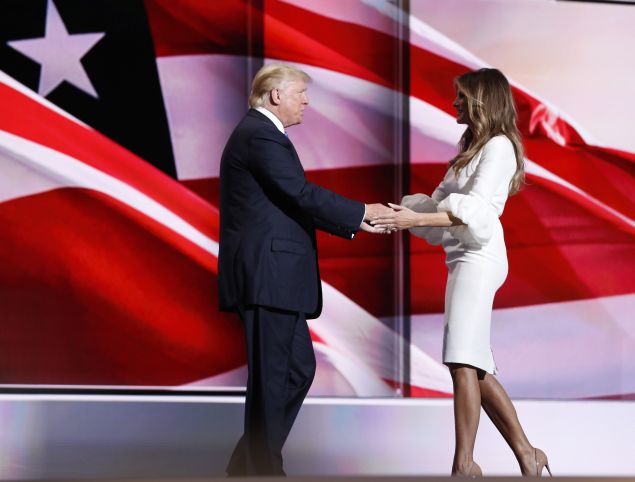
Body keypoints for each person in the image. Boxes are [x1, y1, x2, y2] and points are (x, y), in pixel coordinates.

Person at [372, 68, 551, 477]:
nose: (454, 103)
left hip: (481, 258)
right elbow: (436, 204)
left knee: (460, 359)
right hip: (461, 259)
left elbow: (476, 214)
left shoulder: (500, 147)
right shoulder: (472, 146)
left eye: (461, 97)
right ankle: (528, 453)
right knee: (471, 362)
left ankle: (464, 464)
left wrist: (412, 221)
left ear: (482, 101)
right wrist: (392, 214)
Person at [218, 63, 390, 476]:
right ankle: (261, 469)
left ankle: (249, 463)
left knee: (296, 370)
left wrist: (355, 219)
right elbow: (299, 193)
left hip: (277, 279)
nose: (306, 101)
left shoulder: (262, 135)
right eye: (300, 93)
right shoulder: (259, 134)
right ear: (276, 95)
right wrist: (361, 212)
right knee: (274, 378)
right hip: (267, 277)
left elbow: (293, 200)